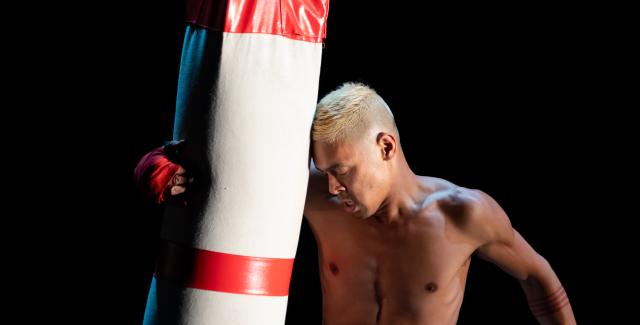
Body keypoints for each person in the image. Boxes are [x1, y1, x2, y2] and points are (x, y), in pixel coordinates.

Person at [136, 82, 576, 325]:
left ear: (386, 147)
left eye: (342, 171)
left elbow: (539, 277)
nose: (330, 188)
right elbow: (223, 164)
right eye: (322, 171)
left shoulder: (463, 213)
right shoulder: (316, 194)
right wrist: (156, 164)